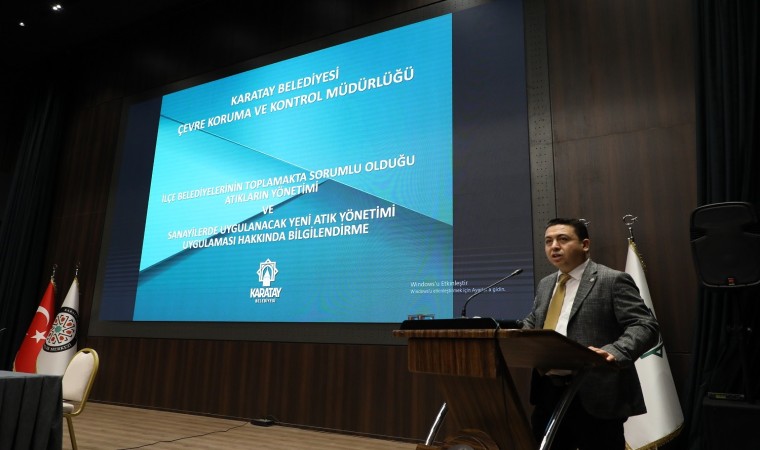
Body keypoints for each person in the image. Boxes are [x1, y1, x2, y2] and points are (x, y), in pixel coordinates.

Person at [521, 218, 660, 450]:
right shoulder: (546, 284)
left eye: (562, 239)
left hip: (595, 393)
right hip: (549, 393)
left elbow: (645, 325)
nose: (554, 246)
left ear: (585, 244)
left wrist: (615, 351)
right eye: (548, 241)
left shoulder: (612, 280)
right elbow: (534, 321)